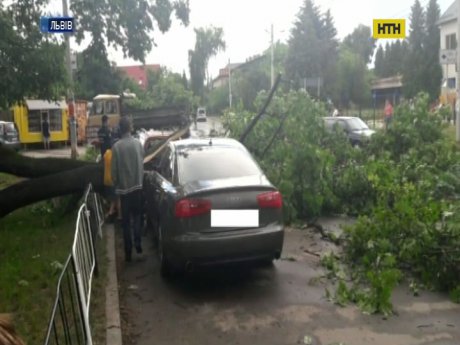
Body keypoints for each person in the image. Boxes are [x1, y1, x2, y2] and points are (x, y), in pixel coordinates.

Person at [111, 116, 144, 262]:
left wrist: (117, 182)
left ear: (120, 129)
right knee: (137, 216)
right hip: (137, 187)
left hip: (124, 191)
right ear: (130, 128)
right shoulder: (138, 144)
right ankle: (138, 241)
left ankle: (128, 251)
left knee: (125, 222)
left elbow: (113, 172)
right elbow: (142, 160)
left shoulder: (116, 147)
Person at [103, 148, 121, 223]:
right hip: (114, 179)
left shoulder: (107, 154)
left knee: (114, 198)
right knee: (118, 198)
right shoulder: (116, 155)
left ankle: (111, 212)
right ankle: (120, 216)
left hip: (107, 180)